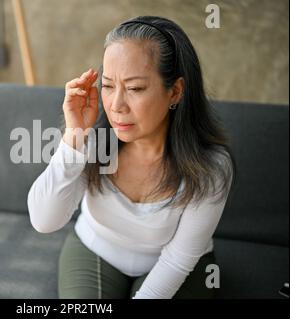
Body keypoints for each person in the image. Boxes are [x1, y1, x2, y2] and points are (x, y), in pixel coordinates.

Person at [27, 16, 236, 299]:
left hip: (176, 266)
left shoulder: (211, 167)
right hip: (95, 250)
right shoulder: (93, 139)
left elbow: (177, 260)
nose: (116, 106)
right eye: (109, 85)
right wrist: (73, 136)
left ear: (175, 91)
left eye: (135, 88)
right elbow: (43, 221)